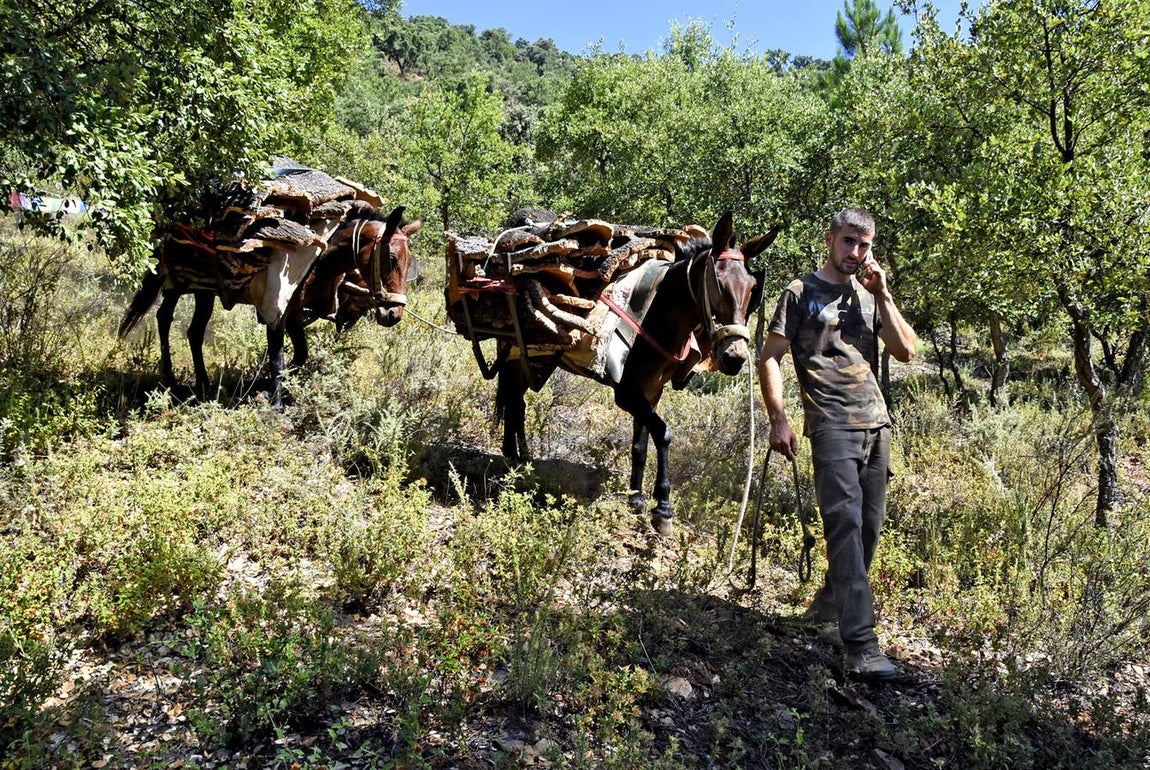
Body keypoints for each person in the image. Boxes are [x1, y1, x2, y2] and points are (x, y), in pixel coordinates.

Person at [757, 208, 918, 682]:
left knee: (868, 526)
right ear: (830, 240)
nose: (856, 253)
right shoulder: (801, 292)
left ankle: (828, 607)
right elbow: (770, 357)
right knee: (844, 524)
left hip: (877, 424)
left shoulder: (871, 298)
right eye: (849, 242)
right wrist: (778, 418)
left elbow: (907, 353)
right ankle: (862, 644)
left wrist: (883, 295)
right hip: (830, 424)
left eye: (864, 245)